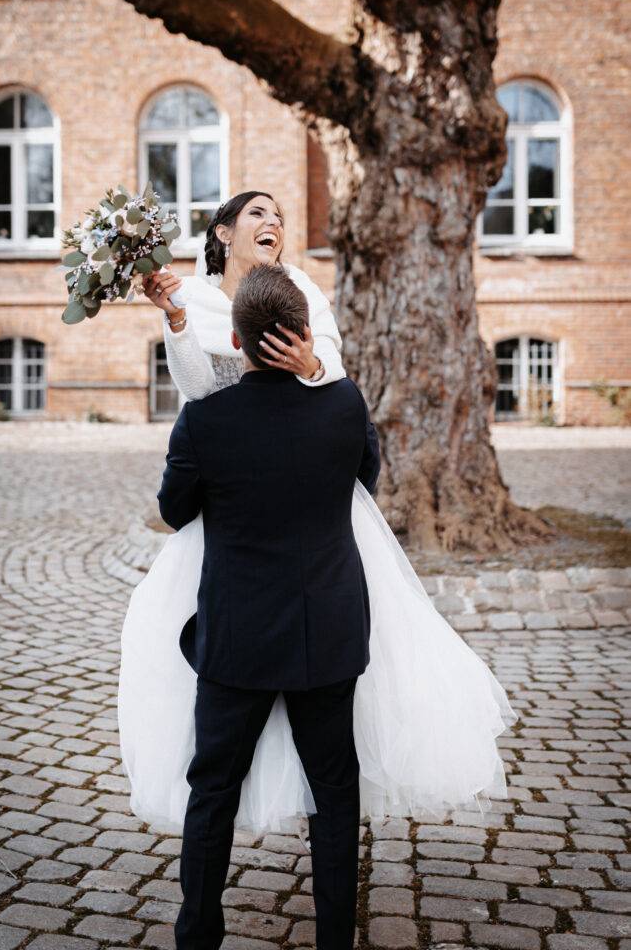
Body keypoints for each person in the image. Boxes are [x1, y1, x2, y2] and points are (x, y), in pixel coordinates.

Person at [118, 190, 516, 841]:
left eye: (278, 215)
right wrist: (178, 321)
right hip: (236, 482)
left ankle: (312, 786)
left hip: (301, 480)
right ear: (222, 232)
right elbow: (195, 387)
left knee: (311, 667)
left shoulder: (302, 287)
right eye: (257, 214)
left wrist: (310, 366)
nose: (273, 222)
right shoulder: (187, 293)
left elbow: (333, 369)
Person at [160, 265, 379, 948]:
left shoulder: (204, 421)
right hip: (328, 628)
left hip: (237, 634)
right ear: (303, 335)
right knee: (335, 791)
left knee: (213, 790)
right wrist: (322, 373)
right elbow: (365, 478)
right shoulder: (344, 405)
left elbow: (173, 511)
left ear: (233, 339)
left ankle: (198, 934)